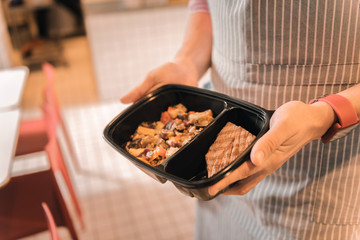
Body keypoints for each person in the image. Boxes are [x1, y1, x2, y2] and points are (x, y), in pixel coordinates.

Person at [121, 0, 360, 239]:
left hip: (319, 175)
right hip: (216, 159)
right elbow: (206, 6)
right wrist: (187, 61)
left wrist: (326, 112)